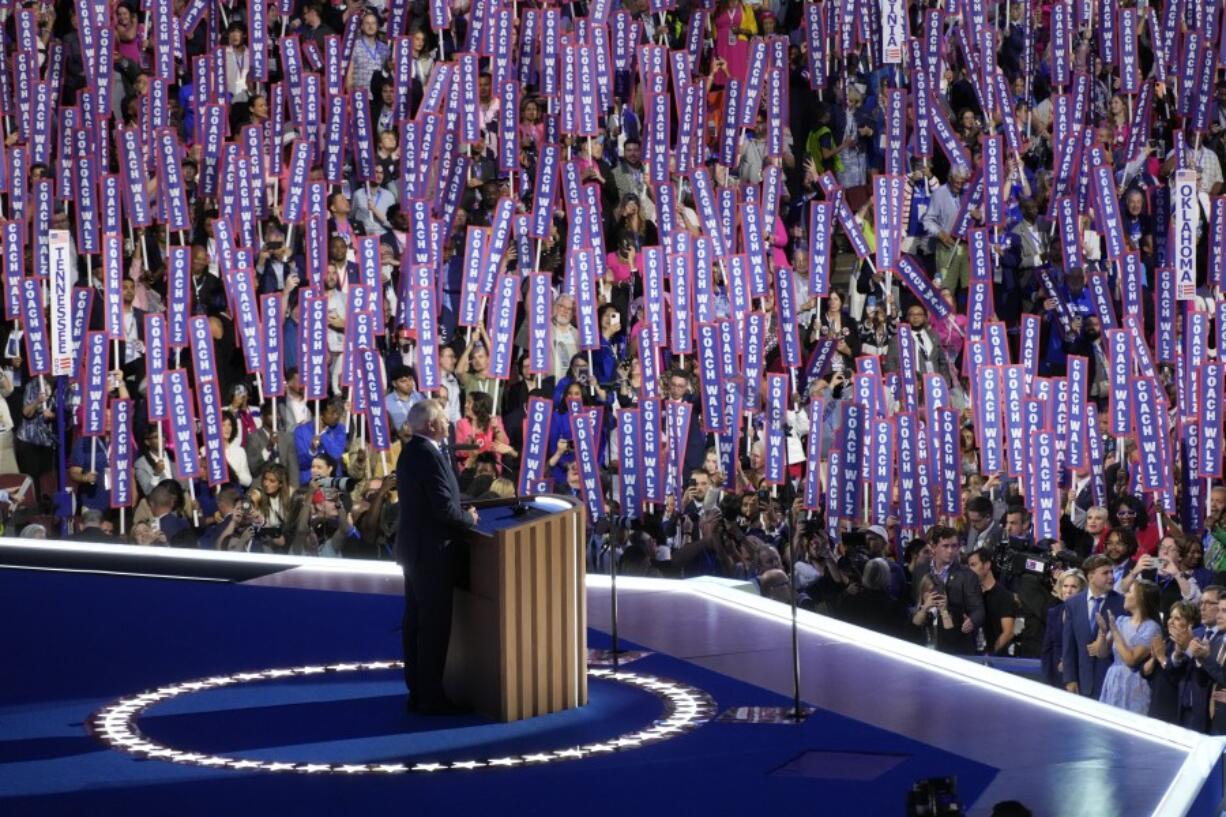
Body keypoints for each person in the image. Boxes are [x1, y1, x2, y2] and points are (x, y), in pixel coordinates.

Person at [395, 399, 479, 715]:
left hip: (416, 550)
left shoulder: (414, 451)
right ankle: (431, 697)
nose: (449, 423)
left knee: (416, 623)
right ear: (431, 424)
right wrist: (468, 518)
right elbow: (443, 508)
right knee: (432, 627)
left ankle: (418, 691)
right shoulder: (426, 455)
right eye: (444, 418)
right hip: (431, 553)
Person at [910, 526, 985, 655]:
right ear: (933, 547)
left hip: (956, 646)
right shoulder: (920, 571)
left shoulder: (968, 575)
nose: (951, 551)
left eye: (954, 546)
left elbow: (978, 609)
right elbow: (914, 602)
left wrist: (972, 621)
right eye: (945, 546)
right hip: (924, 646)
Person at [1063, 555, 1127, 699]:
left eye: (1112, 572)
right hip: (1082, 682)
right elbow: (1069, 645)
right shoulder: (1073, 604)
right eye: (1105, 573)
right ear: (1091, 577)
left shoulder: (1123, 603)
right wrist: (1070, 678)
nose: (1111, 577)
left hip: (1111, 685)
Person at [1098, 579, 1162, 714]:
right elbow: (1102, 653)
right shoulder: (1121, 620)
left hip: (1134, 685)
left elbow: (1131, 659)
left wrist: (1114, 631)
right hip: (1113, 680)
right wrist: (1103, 633)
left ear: (1140, 598)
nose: (1125, 595)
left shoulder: (1152, 628)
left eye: (1130, 592)